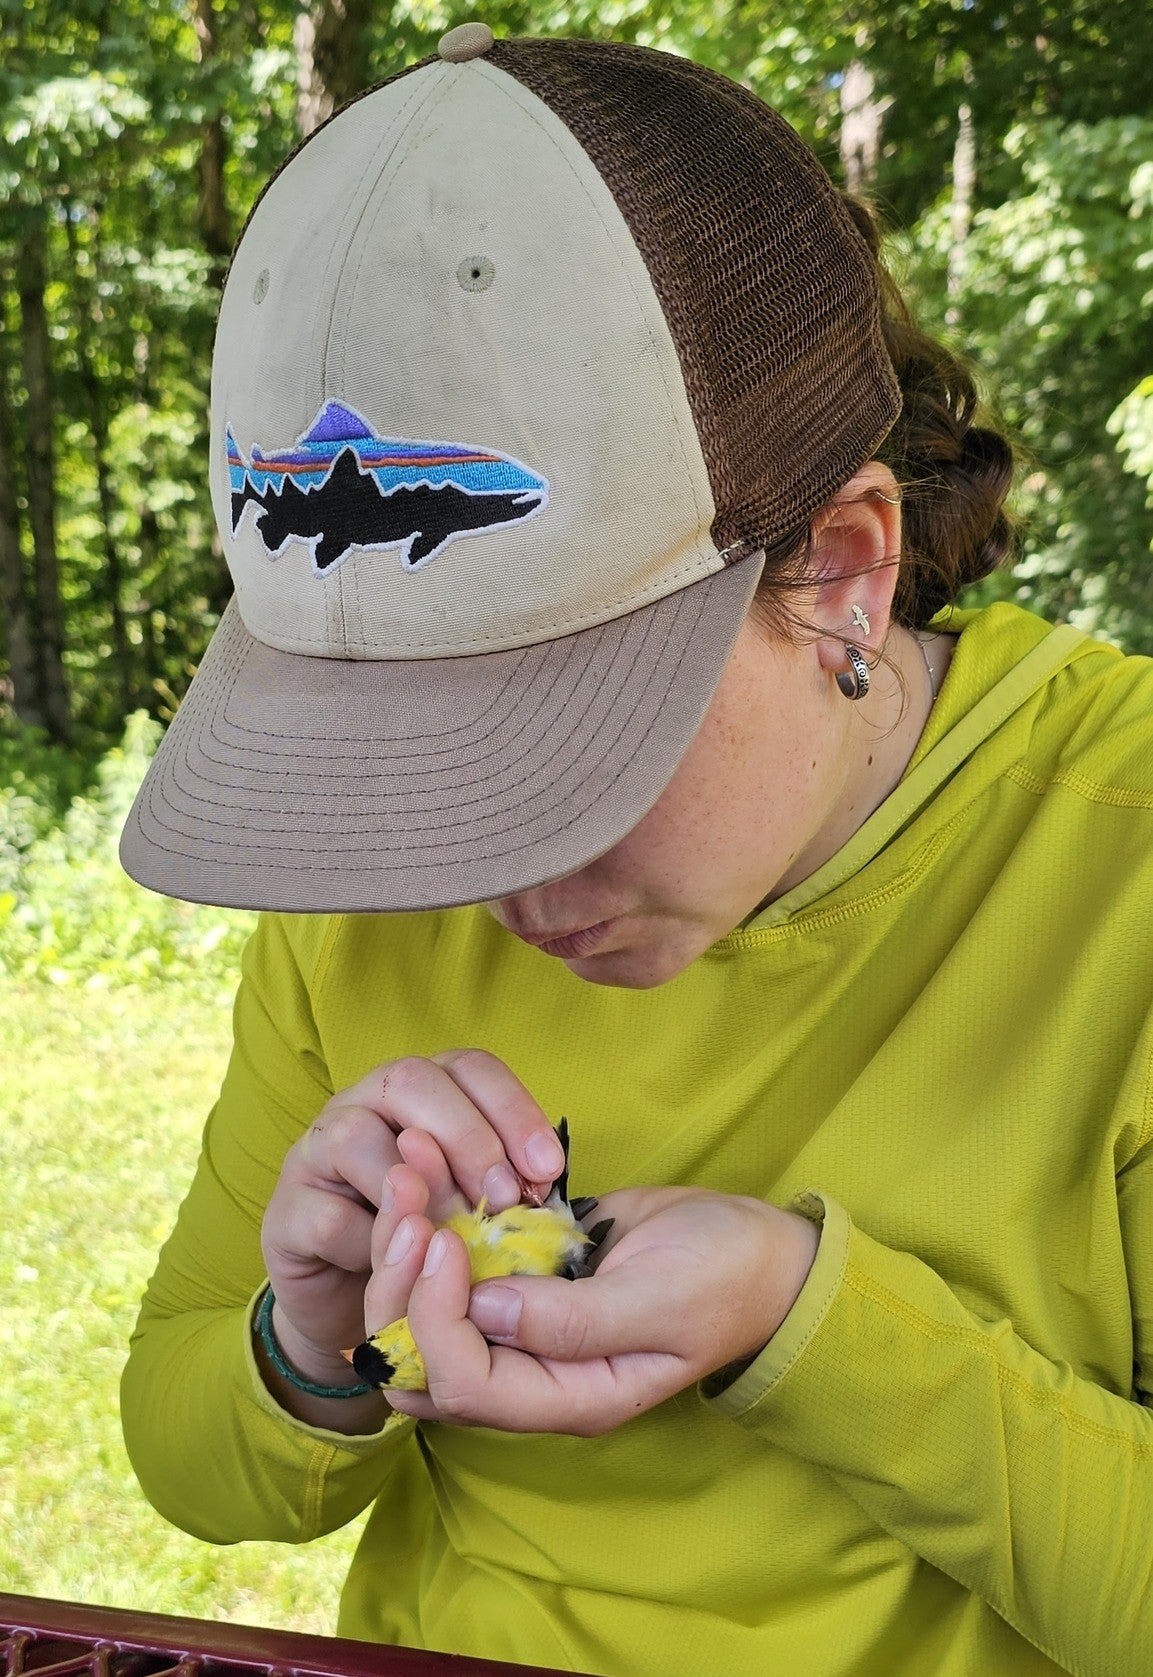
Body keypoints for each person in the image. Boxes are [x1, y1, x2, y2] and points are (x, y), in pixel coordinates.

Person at [118, 25, 1153, 1677]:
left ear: (845, 569)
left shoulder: (1117, 868)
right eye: (399, 753)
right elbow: (184, 1445)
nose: (487, 880)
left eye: (562, 749)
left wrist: (799, 1316)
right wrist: (308, 1334)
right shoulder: (383, 882)